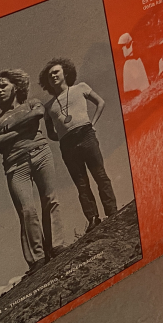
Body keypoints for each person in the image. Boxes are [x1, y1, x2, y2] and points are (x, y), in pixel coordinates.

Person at [0, 69, 60, 271]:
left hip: (41, 152)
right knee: (27, 210)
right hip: (15, 165)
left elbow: (38, 114)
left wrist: (8, 132)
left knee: (50, 199)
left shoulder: (32, 103)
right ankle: (38, 258)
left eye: (3, 85)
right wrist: (24, 128)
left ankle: (57, 246)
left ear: (16, 87)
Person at [39, 58, 117, 232]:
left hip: (86, 135)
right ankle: (93, 218)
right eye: (49, 75)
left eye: (56, 72)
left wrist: (92, 124)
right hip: (67, 145)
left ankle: (112, 211)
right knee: (81, 183)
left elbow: (100, 102)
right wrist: (64, 137)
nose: (53, 76)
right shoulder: (48, 107)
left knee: (100, 174)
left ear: (65, 73)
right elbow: (50, 133)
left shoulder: (81, 87)